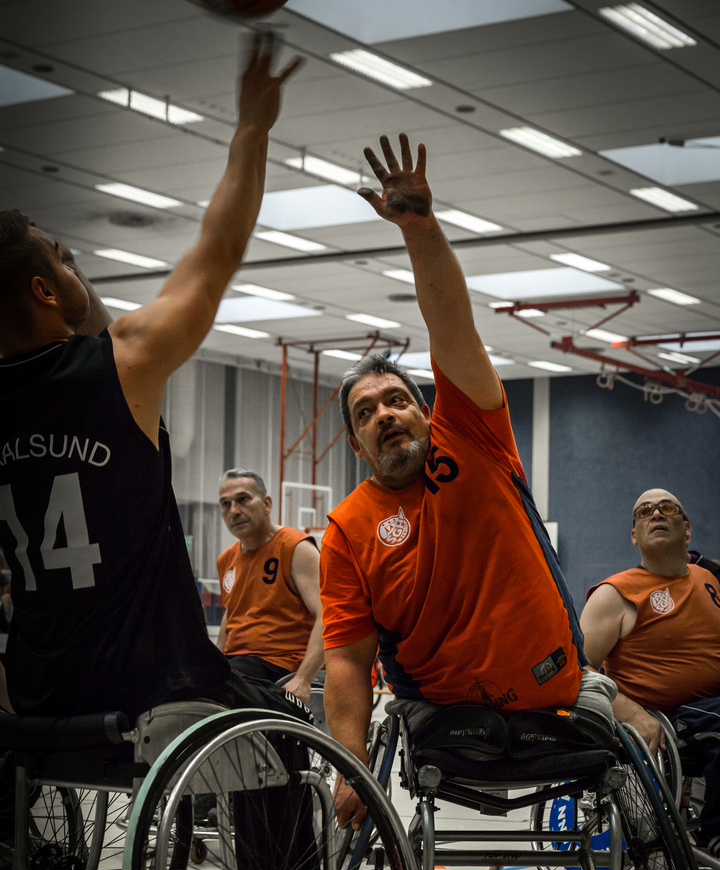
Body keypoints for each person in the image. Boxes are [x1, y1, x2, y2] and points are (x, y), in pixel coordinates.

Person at [0, 35, 305, 723]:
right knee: (284, 727)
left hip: (38, 695)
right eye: (66, 258)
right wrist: (253, 126)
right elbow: (218, 250)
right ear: (47, 290)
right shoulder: (125, 358)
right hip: (153, 683)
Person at [319, 134, 617, 829]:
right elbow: (346, 664)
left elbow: (450, 322)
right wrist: (352, 764)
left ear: (427, 411)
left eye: (396, 400)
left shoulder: (476, 434)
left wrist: (420, 231)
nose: (385, 415)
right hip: (447, 722)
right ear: (357, 444)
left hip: (555, 694)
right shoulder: (345, 534)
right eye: (366, 413)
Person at [581, 488, 720, 858]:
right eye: (644, 511)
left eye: (668, 507)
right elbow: (579, 670)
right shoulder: (615, 594)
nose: (656, 513)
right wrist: (632, 713)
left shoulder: (709, 579)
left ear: (687, 531)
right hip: (667, 715)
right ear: (634, 535)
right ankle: (718, 837)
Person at [216, 468, 324, 704]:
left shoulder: (297, 549)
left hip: (280, 666)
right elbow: (231, 614)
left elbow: (328, 614)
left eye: (242, 499)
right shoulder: (226, 560)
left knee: (226, 681)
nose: (234, 511)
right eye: (226, 504)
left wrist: (304, 679)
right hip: (239, 666)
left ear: (266, 503)